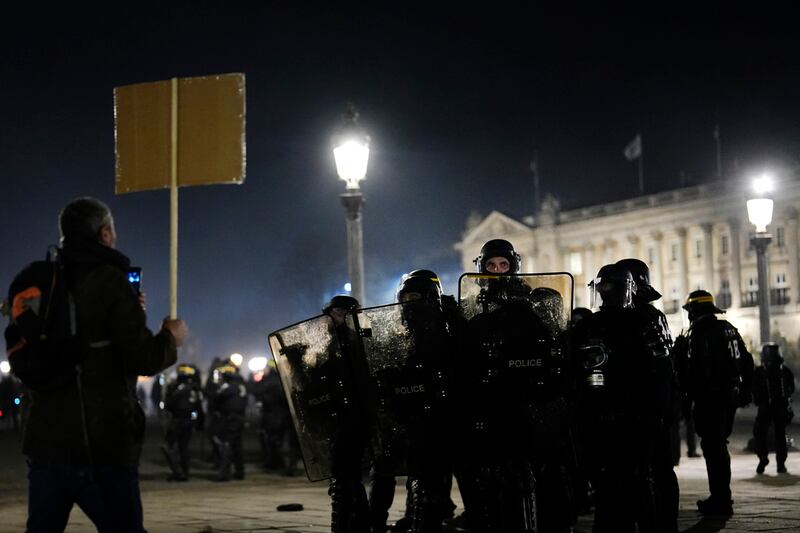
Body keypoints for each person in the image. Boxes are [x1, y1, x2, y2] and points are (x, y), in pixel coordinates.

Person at [9, 197, 186, 533]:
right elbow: (143, 356)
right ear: (105, 234)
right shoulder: (109, 280)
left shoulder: (44, 282)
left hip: (45, 443)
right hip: (102, 442)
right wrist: (169, 338)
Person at [574, 264, 660, 532]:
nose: (608, 296)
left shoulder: (638, 322)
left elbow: (658, 370)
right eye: (604, 289)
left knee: (631, 483)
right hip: (610, 412)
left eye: (613, 289)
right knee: (615, 484)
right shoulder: (593, 324)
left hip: (628, 413)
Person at [673, 289, 754, 515]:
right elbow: (747, 362)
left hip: (710, 397)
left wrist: (679, 357)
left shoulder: (699, 333)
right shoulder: (728, 329)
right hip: (729, 396)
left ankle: (721, 499)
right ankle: (721, 496)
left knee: (713, 446)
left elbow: (695, 369)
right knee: (718, 444)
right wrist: (746, 390)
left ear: (695, 311)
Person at [616, 258, 678, 533]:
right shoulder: (656, 316)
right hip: (659, 405)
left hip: (639, 405)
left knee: (640, 471)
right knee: (663, 471)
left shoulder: (633, 319)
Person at [752, 342, 795, 474]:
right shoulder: (784, 370)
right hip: (780, 407)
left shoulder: (760, 371)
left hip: (765, 407)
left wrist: (758, 400)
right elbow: (791, 388)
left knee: (760, 433)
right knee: (780, 435)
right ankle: (781, 464)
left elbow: (754, 388)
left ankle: (763, 457)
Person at [161, 364, 204, 481]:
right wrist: (200, 423)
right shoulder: (195, 388)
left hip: (177, 420)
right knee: (184, 447)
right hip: (189, 421)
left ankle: (179, 472)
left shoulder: (176, 387)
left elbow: (168, 405)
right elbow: (199, 408)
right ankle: (185, 472)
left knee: (167, 446)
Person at [210, 363, 248, 481]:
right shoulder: (241, 385)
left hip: (230, 419)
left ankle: (224, 474)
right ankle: (239, 471)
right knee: (237, 445)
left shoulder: (226, 387)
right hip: (240, 418)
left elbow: (216, 398)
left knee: (226, 444)